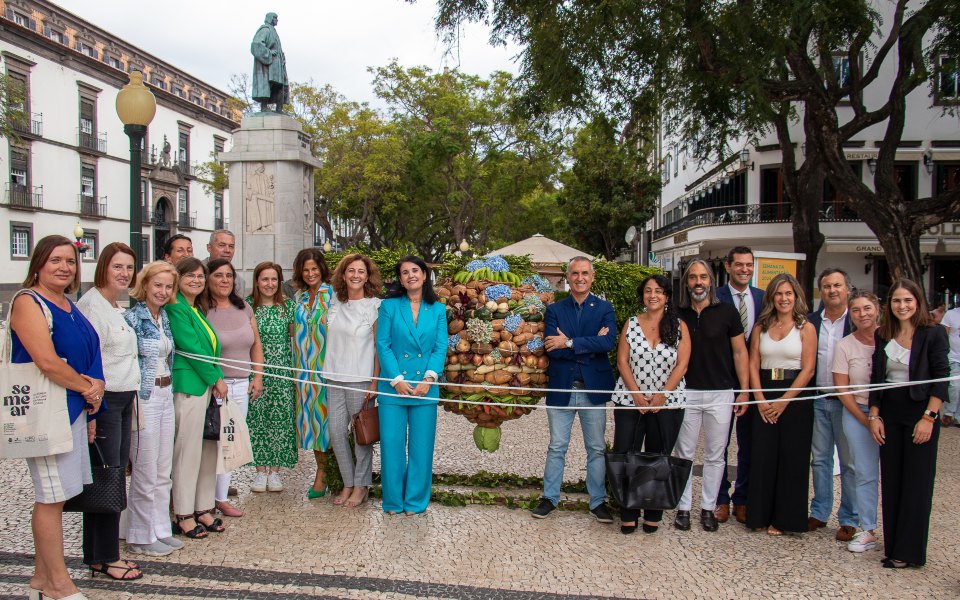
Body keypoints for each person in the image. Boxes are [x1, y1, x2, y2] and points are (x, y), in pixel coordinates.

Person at [10, 235, 105, 600]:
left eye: (70, 261)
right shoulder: (27, 302)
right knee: (50, 497)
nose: (64, 267)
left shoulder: (67, 303)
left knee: (61, 495)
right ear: (38, 263)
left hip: (73, 409)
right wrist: (87, 387)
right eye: (55, 260)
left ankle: (39, 578)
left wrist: (92, 393)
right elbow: (46, 360)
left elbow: (86, 350)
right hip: (46, 412)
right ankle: (58, 584)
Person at [868, 279, 949, 568]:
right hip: (890, 412)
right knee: (892, 480)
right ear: (889, 304)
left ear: (917, 302)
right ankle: (893, 547)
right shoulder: (883, 334)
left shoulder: (934, 333)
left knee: (917, 482)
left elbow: (941, 379)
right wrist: (874, 415)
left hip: (921, 411)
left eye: (908, 300)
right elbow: (877, 378)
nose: (902, 306)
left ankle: (909, 552)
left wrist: (929, 417)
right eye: (897, 301)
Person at [75, 243, 144, 580]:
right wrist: (91, 412)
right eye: (118, 266)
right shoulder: (91, 306)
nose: (124, 273)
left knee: (112, 477)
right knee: (108, 477)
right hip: (105, 402)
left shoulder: (113, 305)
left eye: (129, 268)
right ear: (103, 267)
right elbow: (89, 361)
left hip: (122, 399)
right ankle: (106, 556)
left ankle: (100, 554)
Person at [531, 257, 617, 522]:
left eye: (585, 273)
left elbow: (608, 343)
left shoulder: (604, 308)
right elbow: (550, 348)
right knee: (557, 446)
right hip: (562, 387)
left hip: (593, 389)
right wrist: (589, 343)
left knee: (596, 448)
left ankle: (598, 501)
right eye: (575, 273)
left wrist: (567, 342)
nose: (580, 278)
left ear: (592, 277)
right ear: (567, 278)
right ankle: (549, 498)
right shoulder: (555, 310)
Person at [674, 259, 750, 532]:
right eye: (693, 277)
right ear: (687, 283)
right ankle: (682, 508)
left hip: (721, 392)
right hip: (686, 392)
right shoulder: (677, 312)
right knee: (684, 453)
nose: (698, 282)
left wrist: (743, 391)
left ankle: (708, 508)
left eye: (703, 277)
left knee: (716, 455)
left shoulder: (727, 312)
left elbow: (741, 353)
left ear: (711, 281)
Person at [611, 274, 690, 534]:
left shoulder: (679, 326)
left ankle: (653, 512)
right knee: (626, 453)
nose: (652, 295)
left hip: (667, 402)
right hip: (630, 400)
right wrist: (635, 395)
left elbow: (682, 364)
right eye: (647, 291)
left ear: (667, 296)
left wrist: (662, 395)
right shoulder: (631, 323)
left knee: (659, 455)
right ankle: (628, 511)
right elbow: (622, 361)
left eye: (658, 291)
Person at [745, 273, 817, 536]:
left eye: (789, 294)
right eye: (779, 294)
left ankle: (786, 519)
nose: (784, 299)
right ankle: (759, 515)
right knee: (763, 456)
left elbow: (808, 369)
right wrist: (761, 399)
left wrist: (784, 402)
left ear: (796, 296)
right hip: (764, 392)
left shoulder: (806, 328)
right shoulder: (760, 328)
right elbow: (753, 364)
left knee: (792, 458)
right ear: (771, 297)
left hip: (794, 398)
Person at [375, 256, 447, 514]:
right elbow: (383, 344)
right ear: (401, 280)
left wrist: (429, 379)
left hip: (425, 388)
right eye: (405, 272)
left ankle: (416, 502)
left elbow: (440, 347)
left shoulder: (438, 309)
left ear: (425, 275)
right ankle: (393, 502)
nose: (410, 275)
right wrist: (396, 380)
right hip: (393, 388)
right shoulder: (389, 306)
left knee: (421, 449)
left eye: (415, 270)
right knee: (392, 446)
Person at [166, 257, 228, 538]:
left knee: (207, 451)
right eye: (190, 275)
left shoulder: (195, 309)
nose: (196, 280)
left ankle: (203, 507)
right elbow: (190, 347)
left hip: (205, 387)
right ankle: (183, 513)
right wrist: (216, 378)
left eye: (200, 276)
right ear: (178, 278)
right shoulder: (177, 307)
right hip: (190, 386)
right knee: (187, 453)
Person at [123, 261, 181, 556]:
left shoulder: (164, 318)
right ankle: (139, 535)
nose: (163, 291)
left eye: (168, 286)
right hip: (145, 397)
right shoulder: (132, 319)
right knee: (144, 468)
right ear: (144, 285)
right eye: (157, 285)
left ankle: (160, 528)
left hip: (166, 391)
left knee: (162, 468)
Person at [204, 259, 264, 517]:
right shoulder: (203, 310)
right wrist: (216, 381)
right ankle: (203, 499)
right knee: (211, 443)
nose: (225, 280)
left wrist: (257, 377)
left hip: (241, 385)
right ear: (209, 279)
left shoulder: (244, 308)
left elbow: (256, 345)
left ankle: (221, 497)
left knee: (229, 442)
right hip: (214, 387)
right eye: (219, 275)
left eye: (229, 275)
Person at [327, 254, 382, 508]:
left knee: (362, 434)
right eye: (351, 270)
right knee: (336, 432)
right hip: (334, 376)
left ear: (367, 276)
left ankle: (361, 486)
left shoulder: (374, 306)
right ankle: (347, 482)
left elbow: (379, 348)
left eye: (361, 271)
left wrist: (374, 382)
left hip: (361, 378)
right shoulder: (335, 301)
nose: (356, 275)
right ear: (343, 274)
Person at [807, 268, 858, 541]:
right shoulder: (813, 321)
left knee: (849, 462)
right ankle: (820, 511)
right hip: (818, 398)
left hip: (847, 402)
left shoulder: (856, 321)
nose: (832, 290)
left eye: (837, 285)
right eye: (827, 286)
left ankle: (849, 517)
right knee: (820, 460)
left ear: (847, 289)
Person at [715, 246, 764, 524]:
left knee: (749, 443)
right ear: (728, 267)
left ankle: (742, 499)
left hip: (752, 382)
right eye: (740, 265)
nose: (745, 269)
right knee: (719, 444)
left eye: (749, 264)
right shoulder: (716, 297)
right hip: (722, 379)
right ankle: (721, 498)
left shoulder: (763, 298)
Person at [832, 291, 882, 553]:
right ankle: (867, 528)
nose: (863, 314)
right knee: (863, 472)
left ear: (877, 309)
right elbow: (842, 389)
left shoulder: (889, 339)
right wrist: (866, 419)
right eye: (856, 310)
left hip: (890, 412)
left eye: (867, 308)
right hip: (856, 412)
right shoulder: (845, 345)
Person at [246, 261, 298, 492]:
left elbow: (296, 337)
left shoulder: (288, 306)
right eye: (265, 279)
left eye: (274, 279)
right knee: (257, 420)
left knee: (280, 420)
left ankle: (275, 472)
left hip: (282, 371)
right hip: (255, 371)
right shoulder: (247, 306)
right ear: (257, 281)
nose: (269, 284)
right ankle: (259, 471)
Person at [291, 248, 335, 498]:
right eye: (306, 270)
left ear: (322, 270)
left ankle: (326, 474)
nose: (310, 274)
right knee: (310, 423)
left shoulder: (333, 296)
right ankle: (323, 469)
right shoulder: (297, 297)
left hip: (325, 370)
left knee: (328, 424)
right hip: (302, 372)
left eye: (314, 269)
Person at [250, 12, 289, 112]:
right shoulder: (265, 30)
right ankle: (264, 107)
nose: (277, 20)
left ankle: (279, 109)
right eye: (275, 18)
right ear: (271, 19)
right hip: (269, 64)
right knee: (267, 84)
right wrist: (269, 53)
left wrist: (282, 57)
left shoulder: (274, 32)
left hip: (278, 65)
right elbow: (256, 45)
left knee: (280, 86)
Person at [204, 230, 244, 297]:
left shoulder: (238, 281)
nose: (227, 250)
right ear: (209, 248)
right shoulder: (196, 270)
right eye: (222, 245)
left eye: (231, 246)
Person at [940, 304, 960, 427]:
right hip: (953, 358)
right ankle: (948, 412)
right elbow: (942, 336)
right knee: (955, 386)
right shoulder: (951, 314)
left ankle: (958, 417)